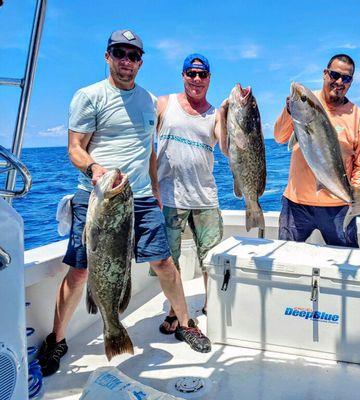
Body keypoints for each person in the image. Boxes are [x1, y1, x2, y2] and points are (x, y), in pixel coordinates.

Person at [37, 30, 211, 377]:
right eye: (120, 53)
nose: (126, 61)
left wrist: (157, 193)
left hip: (142, 198)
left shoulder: (148, 101)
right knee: (80, 270)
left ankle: (186, 324)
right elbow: (75, 148)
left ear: (141, 62)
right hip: (98, 197)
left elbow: (148, 151)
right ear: (108, 56)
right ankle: (57, 339)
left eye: (133, 56)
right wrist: (95, 169)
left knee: (164, 262)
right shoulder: (89, 96)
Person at [155, 53, 228, 334]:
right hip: (169, 197)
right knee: (168, 260)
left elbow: (227, 148)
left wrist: (236, 118)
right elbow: (141, 137)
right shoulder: (164, 103)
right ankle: (175, 310)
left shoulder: (215, 114)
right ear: (183, 75)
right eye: (191, 73)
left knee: (211, 257)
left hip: (205, 198)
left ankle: (213, 305)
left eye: (202, 74)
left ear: (209, 79)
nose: (196, 79)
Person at [273, 54, 360, 247]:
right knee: (287, 260)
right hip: (296, 203)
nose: (339, 81)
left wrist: (354, 196)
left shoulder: (358, 117)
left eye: (346, 78)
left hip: (338, 207)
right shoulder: (306, 104)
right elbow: (279, 137)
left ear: (351, 82)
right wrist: (289, 111)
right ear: (325, 74)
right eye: (335, 75)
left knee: (344, 268)